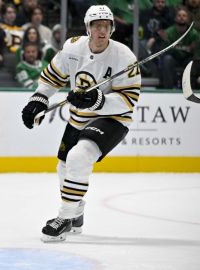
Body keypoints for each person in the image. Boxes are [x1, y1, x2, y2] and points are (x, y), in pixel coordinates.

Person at [21, 5, 141, 242]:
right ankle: (76, 212)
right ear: (88, 28)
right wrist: (39, 98)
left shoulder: (125, 57)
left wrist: (97, 100)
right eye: (96, 26)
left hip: (112, 118)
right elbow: (52, 77)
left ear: (112, 28)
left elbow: (129, 100)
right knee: (64, 167)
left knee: (79, 157)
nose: (101, 30)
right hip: (79, 117)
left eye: (106, 26)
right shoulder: (73, 47)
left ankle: (64, 217)